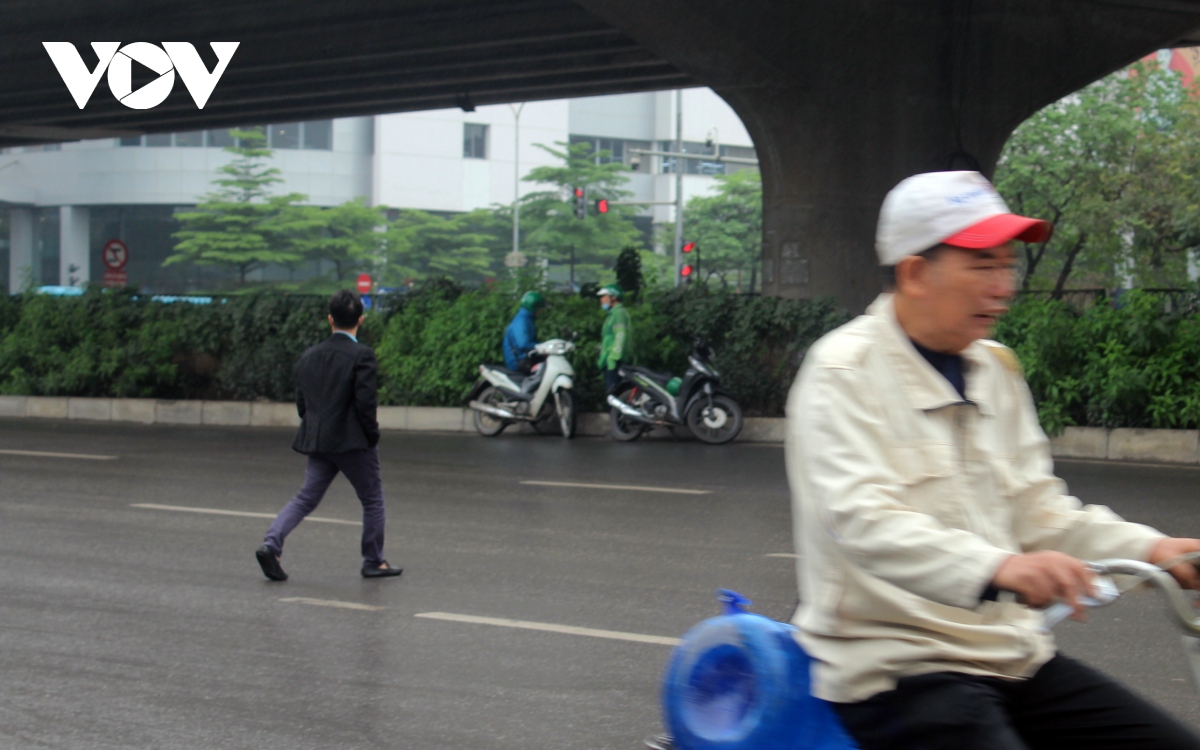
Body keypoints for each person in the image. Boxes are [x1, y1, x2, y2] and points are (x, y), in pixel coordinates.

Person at [786, 170, 1200, 749]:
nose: (1005, 287)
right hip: (896, 670)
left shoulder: (995, 371)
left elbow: (1039, 512)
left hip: (1011, 658)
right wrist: (998, 568)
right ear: (915, 273)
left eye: (1009, 265)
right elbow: (864, 522)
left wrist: (1152, 550)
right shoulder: (843, 372)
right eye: (983, 265)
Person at [255, 289, 402, 582]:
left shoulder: (309, 356)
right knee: (372, 499)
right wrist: (371, 437)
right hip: (353, 443)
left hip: (318, 441)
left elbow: (302, 404)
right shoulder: (362, 355)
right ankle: (373, 560)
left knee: (305, 497)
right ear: (360, 319)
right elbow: (365, 404)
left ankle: (272, 544)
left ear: (329, 319)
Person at [597, 284, 633, 392]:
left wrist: (615, 356)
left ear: (613, 297)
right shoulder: (612, 314)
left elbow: (620, 335)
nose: (601, 299)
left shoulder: (619, 313)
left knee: (614, 393)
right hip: (609, 360)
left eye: (604, 296)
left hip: (615, 361)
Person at [503, 290, 544, 373]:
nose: (541, 311)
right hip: (518, 362)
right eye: (540, 308)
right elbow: (523, 344)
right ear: (534, 306)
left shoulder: (527, 319)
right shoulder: (521, 321)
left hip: (525, 358)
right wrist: (542, 346)